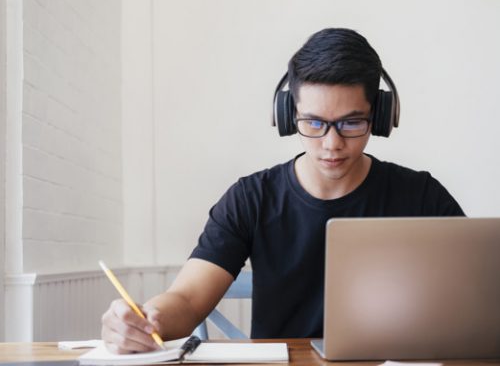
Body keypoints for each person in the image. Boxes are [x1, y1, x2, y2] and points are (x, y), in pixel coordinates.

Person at [101, 28, 464, 353]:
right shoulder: (250, 199)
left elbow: (474, 293)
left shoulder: (421, 195)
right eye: (314, 122)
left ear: (381, 117)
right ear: (289, 116)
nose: (331, 143)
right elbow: (188, 298)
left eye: (351, 122)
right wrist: (148, 320)